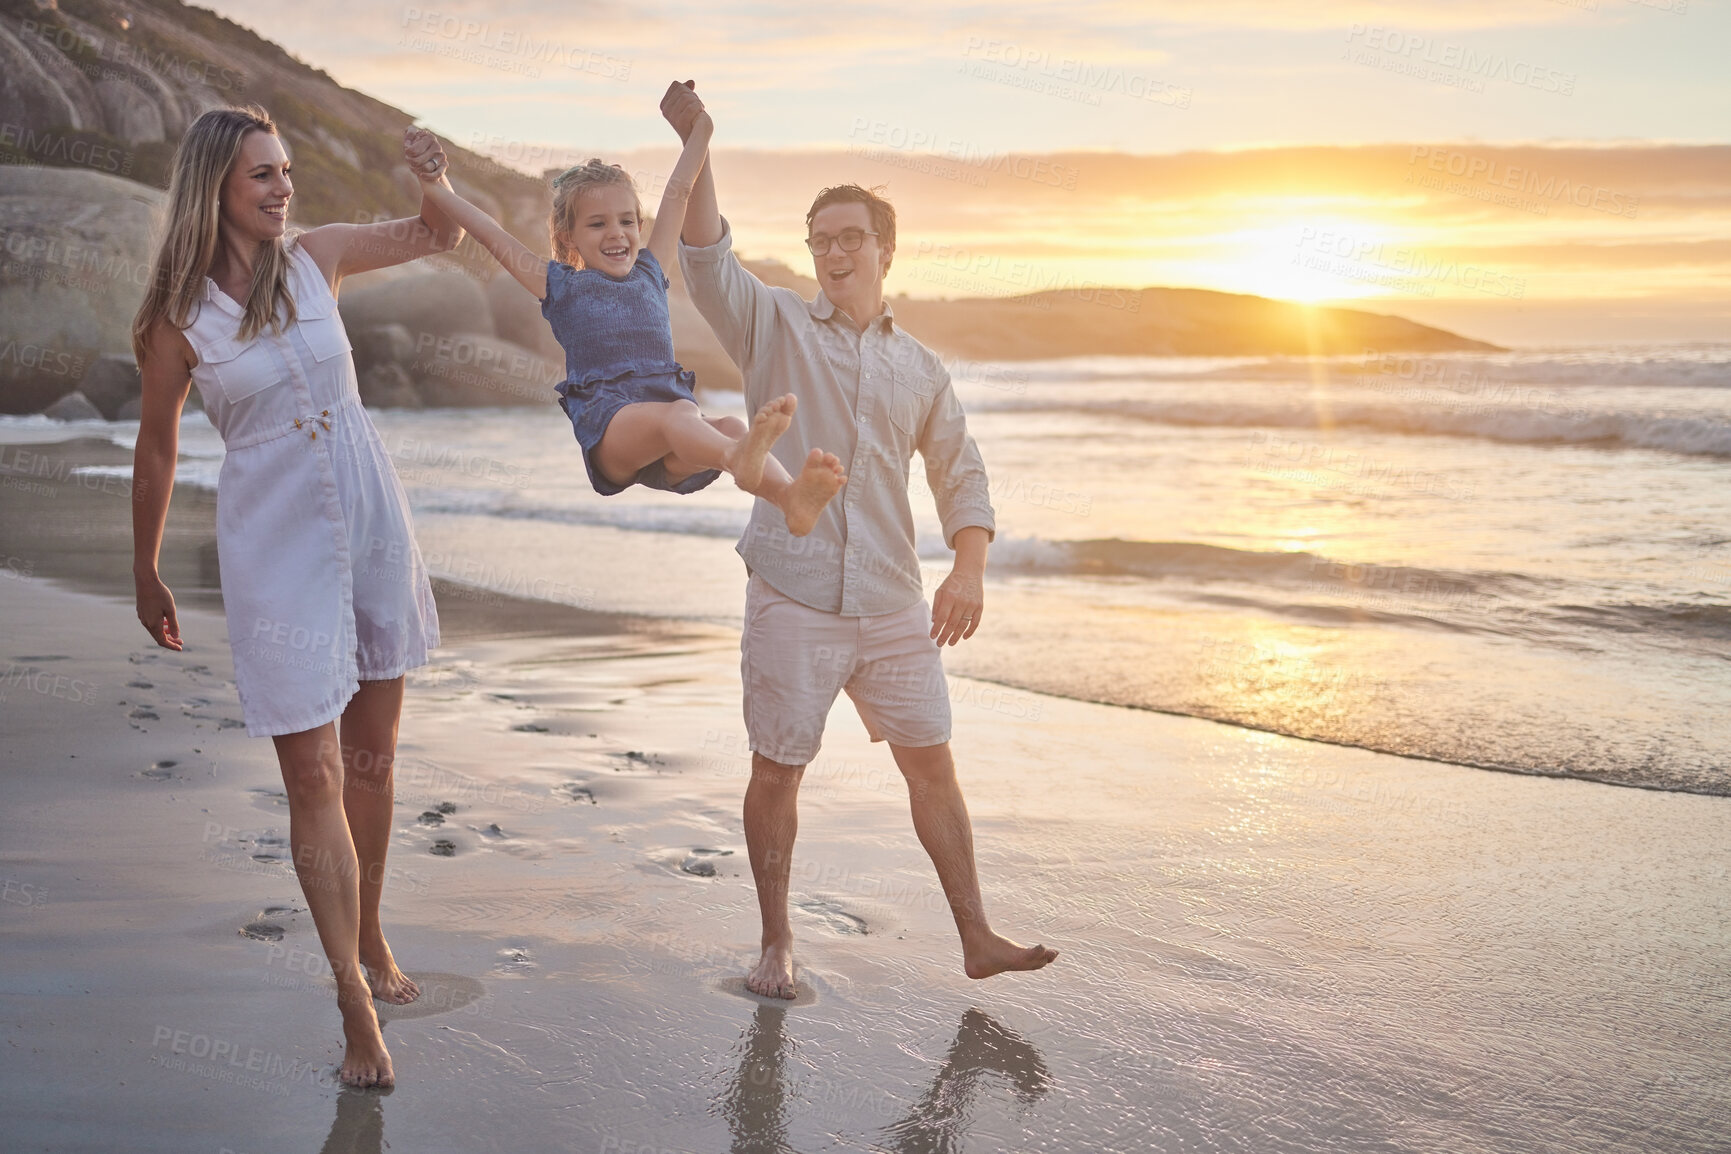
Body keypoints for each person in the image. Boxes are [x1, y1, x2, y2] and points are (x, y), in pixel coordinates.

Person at [668, 81, 1059, 998]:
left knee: (933, 765)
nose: (834, 251)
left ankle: (975, 935)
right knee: (778, 770)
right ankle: (775, 942)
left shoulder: (918, 365)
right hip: (794, 590)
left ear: (884, 250)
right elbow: (704, 254)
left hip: (889, 601)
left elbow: (959, 471)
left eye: (851, 237)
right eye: (821, 239)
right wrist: (701, 144)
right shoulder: (770, 322)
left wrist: (969, 568)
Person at [131, 106, 463, 1088]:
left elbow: (437, 234)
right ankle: (354, 1004)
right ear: (214, 191)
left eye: (286, 170)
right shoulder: (178, 318)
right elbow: (155, 441)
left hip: (367, 519)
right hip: (273, 543)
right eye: (261, 176)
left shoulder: (319, 257)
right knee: (311, 775)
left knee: (370, 758)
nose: (282, 188)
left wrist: (432, 176)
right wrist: (142, 565)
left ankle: (370, 934)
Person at [401, 85, 846, 535]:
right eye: (598, 224)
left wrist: (701, 131)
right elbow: (490, 232)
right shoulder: (560, 286)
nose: (617, 234)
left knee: (729, 422)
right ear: (569, 237)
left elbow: (678, 193)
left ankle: (790, 497)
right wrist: (435, 188)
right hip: (611, 427)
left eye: (627, 221)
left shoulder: (651, 271)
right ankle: (738, 459)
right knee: (686, 419)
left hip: (670, 430)